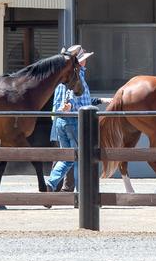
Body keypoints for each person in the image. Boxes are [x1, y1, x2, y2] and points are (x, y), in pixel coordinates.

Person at [45, 45, 111, 192]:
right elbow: (72, 97)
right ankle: (82, 193)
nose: (86, 62)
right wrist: (68, 105)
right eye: (84, 59)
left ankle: (51, 183)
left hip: (62, 121)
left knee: (69, 157)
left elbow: (81, 100)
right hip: (73, 121)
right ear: (79, 61)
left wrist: (101, 100)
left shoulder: (63, 76)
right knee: (81, 156)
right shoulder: (76, 76)